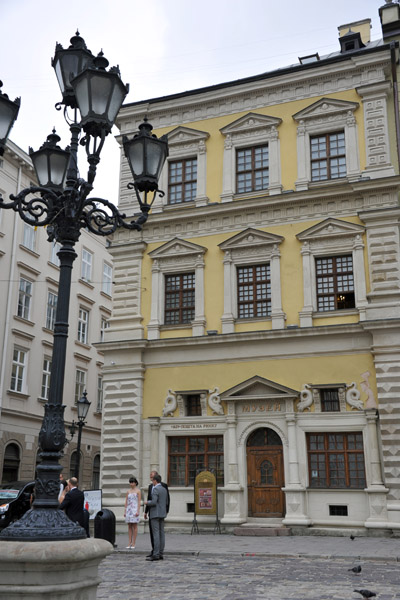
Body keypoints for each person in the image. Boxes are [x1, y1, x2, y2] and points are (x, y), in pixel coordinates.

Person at [144, 470, 170, 559]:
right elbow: (166, 501)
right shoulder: (164, 489)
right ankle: (161, 553)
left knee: (156, 534)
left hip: (155, 514)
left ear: (155, 481)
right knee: (162, 534)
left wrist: (147, 502)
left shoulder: (155, 489)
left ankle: (155, 554)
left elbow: (154, 502)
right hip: (162, 513)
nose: (152, 482)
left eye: (152, 480)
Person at [124, 476, 141, 549]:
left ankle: (134, 542)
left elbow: (139, 501)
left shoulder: (138, 491)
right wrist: (125, 510)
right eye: (130, 482)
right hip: (129, 509)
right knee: (129, 526)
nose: (131, 484)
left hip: (134, 509)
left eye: (132, 482)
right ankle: (129, 542)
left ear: (135, 483)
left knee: (135, 526)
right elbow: (126, 501)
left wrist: (138, 510)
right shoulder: (128, 491)